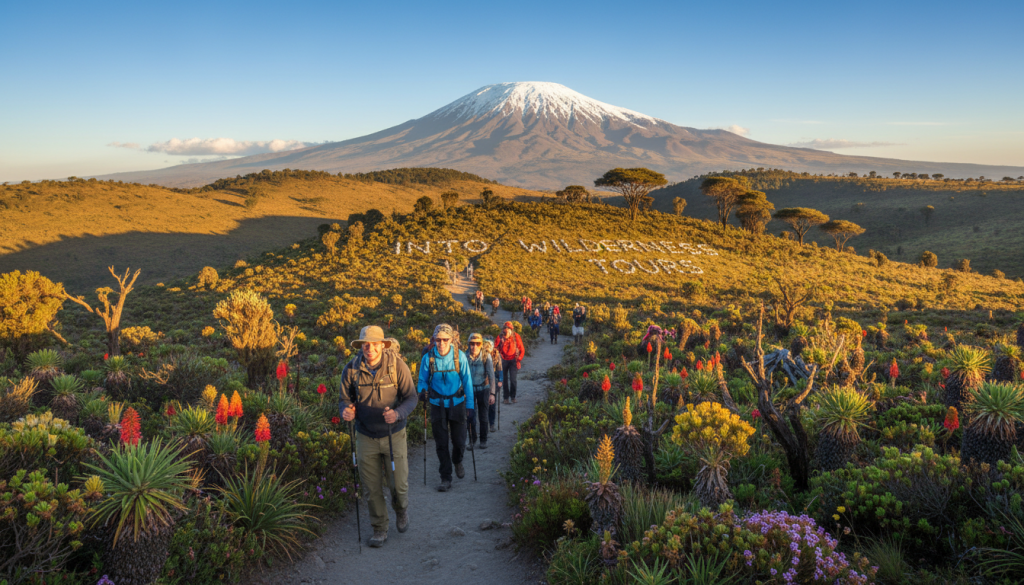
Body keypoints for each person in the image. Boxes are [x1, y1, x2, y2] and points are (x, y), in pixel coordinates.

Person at [339, 326, 418, 548]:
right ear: (361, 346)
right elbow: (344, 399)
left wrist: (398, 413)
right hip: (365, 436)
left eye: (374, 344)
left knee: (398, 486)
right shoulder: (351, 369)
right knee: (371, 488)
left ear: (382, 345)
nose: (370, 348)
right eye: (366, 344)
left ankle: (401, 510)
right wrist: (346, 411)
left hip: (394, 435)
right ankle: (379, 529)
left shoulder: (397, 366)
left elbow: (411, 397)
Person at [417, 324, 474, 492]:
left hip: (457, 403)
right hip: (437, 405)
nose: (441, 343)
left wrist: (470, 406)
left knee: (459, 441)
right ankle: (445, 477)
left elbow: (467, 382)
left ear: (451, 340)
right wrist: (422, 392)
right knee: (441, 443)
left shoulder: (460, 357)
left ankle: (457, 460)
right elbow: (422, 380)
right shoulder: (428, 358)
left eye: (445, 340)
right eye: (438, 340)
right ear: (433, 340)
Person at [465, 333, 495, 449]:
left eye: (477, 344)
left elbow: (492, 376)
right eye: (472, 344)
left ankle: (483, 440)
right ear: (469, 344)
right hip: (470, 390)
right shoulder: (464, 356)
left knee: (483, 416)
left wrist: (492, 393)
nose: (474, 346)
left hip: (484, 389)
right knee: (470, 416)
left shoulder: (486, 356)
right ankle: (472, 440)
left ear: (481, 345)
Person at [495, 321, 525, 404]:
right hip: (503, 360)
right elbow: (495, 348)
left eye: (507, 329)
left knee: (513, 380)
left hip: (513, 361)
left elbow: (522, 349)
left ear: (511, 330)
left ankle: (513, 396)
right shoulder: (500, 337)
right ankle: (505, 398)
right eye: (504, 329)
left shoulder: (516, 337)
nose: (506, 330)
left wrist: (519, 359)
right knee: (504, 380)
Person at [483, 337, 502, 432]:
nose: (487, 347)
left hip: (493, 380)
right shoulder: (481, 354)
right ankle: (484, 423)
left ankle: (492, 423)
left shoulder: (496, 354)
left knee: (492, 404)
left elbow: (499, 368)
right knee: (483, 404)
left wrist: (500, 380)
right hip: (483, 381)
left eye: (489, 345)